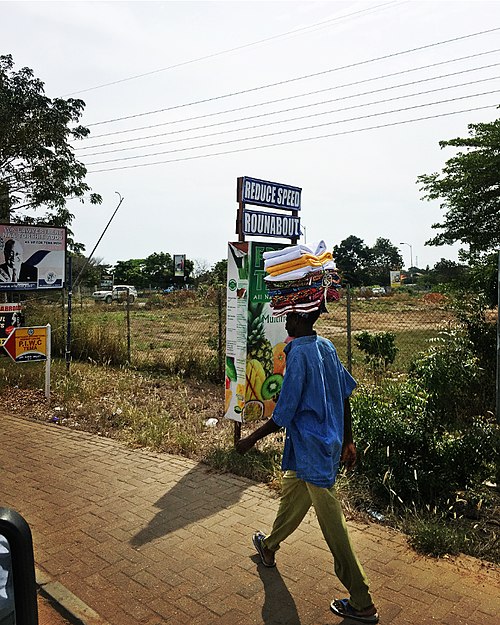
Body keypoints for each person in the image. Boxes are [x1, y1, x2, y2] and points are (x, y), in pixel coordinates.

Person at [236, 310, 379, 624]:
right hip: (322, 446)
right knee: (293, 493)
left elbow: (283, 413)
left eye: (289, 318)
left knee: (333, 524)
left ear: (300, 320)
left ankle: (362, 600)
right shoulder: (325, 346)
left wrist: (250, 440)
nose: (285, 322)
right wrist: (348, 440)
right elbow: (345, 395)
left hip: (312, 449)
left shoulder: (299, 354)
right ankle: (269, 546)